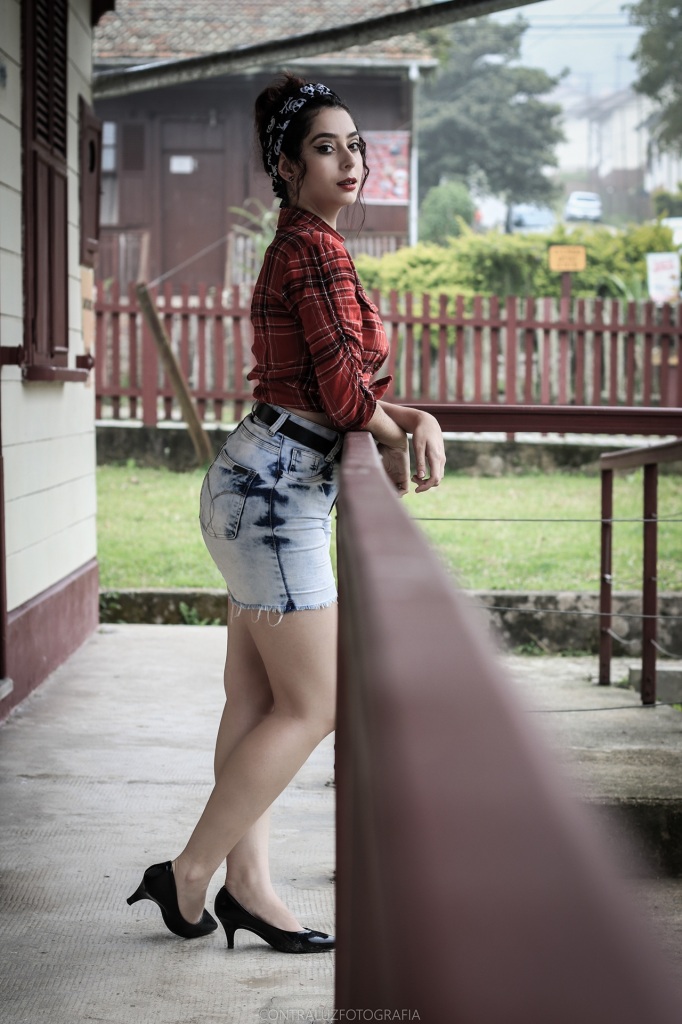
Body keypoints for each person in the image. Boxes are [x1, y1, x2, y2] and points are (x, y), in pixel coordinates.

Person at [127, 73, 445, 954]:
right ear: (289, 166)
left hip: (260, 479)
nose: (349, 160)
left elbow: (327, 387)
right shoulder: (316, 250)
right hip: (275, 495)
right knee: (315, 703)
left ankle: (249, 888)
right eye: (325, 147)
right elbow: (344, 397)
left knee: (256, 695)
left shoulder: (304, 243)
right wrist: (396, 428)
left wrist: (408, 418)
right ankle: (191, 872)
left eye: (355, 146)